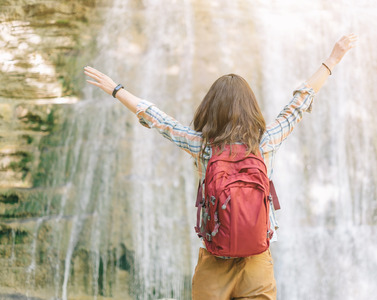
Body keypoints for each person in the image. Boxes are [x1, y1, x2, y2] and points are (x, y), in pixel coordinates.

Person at [84, 33, 358, 300]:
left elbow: (159, 120)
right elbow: (297, 104)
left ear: (210, 108)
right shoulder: (266, 142)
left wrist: (117, 90)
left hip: (215, 257)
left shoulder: (202, 146)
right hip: (257, 259)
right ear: (251, 108)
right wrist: (332, 59)